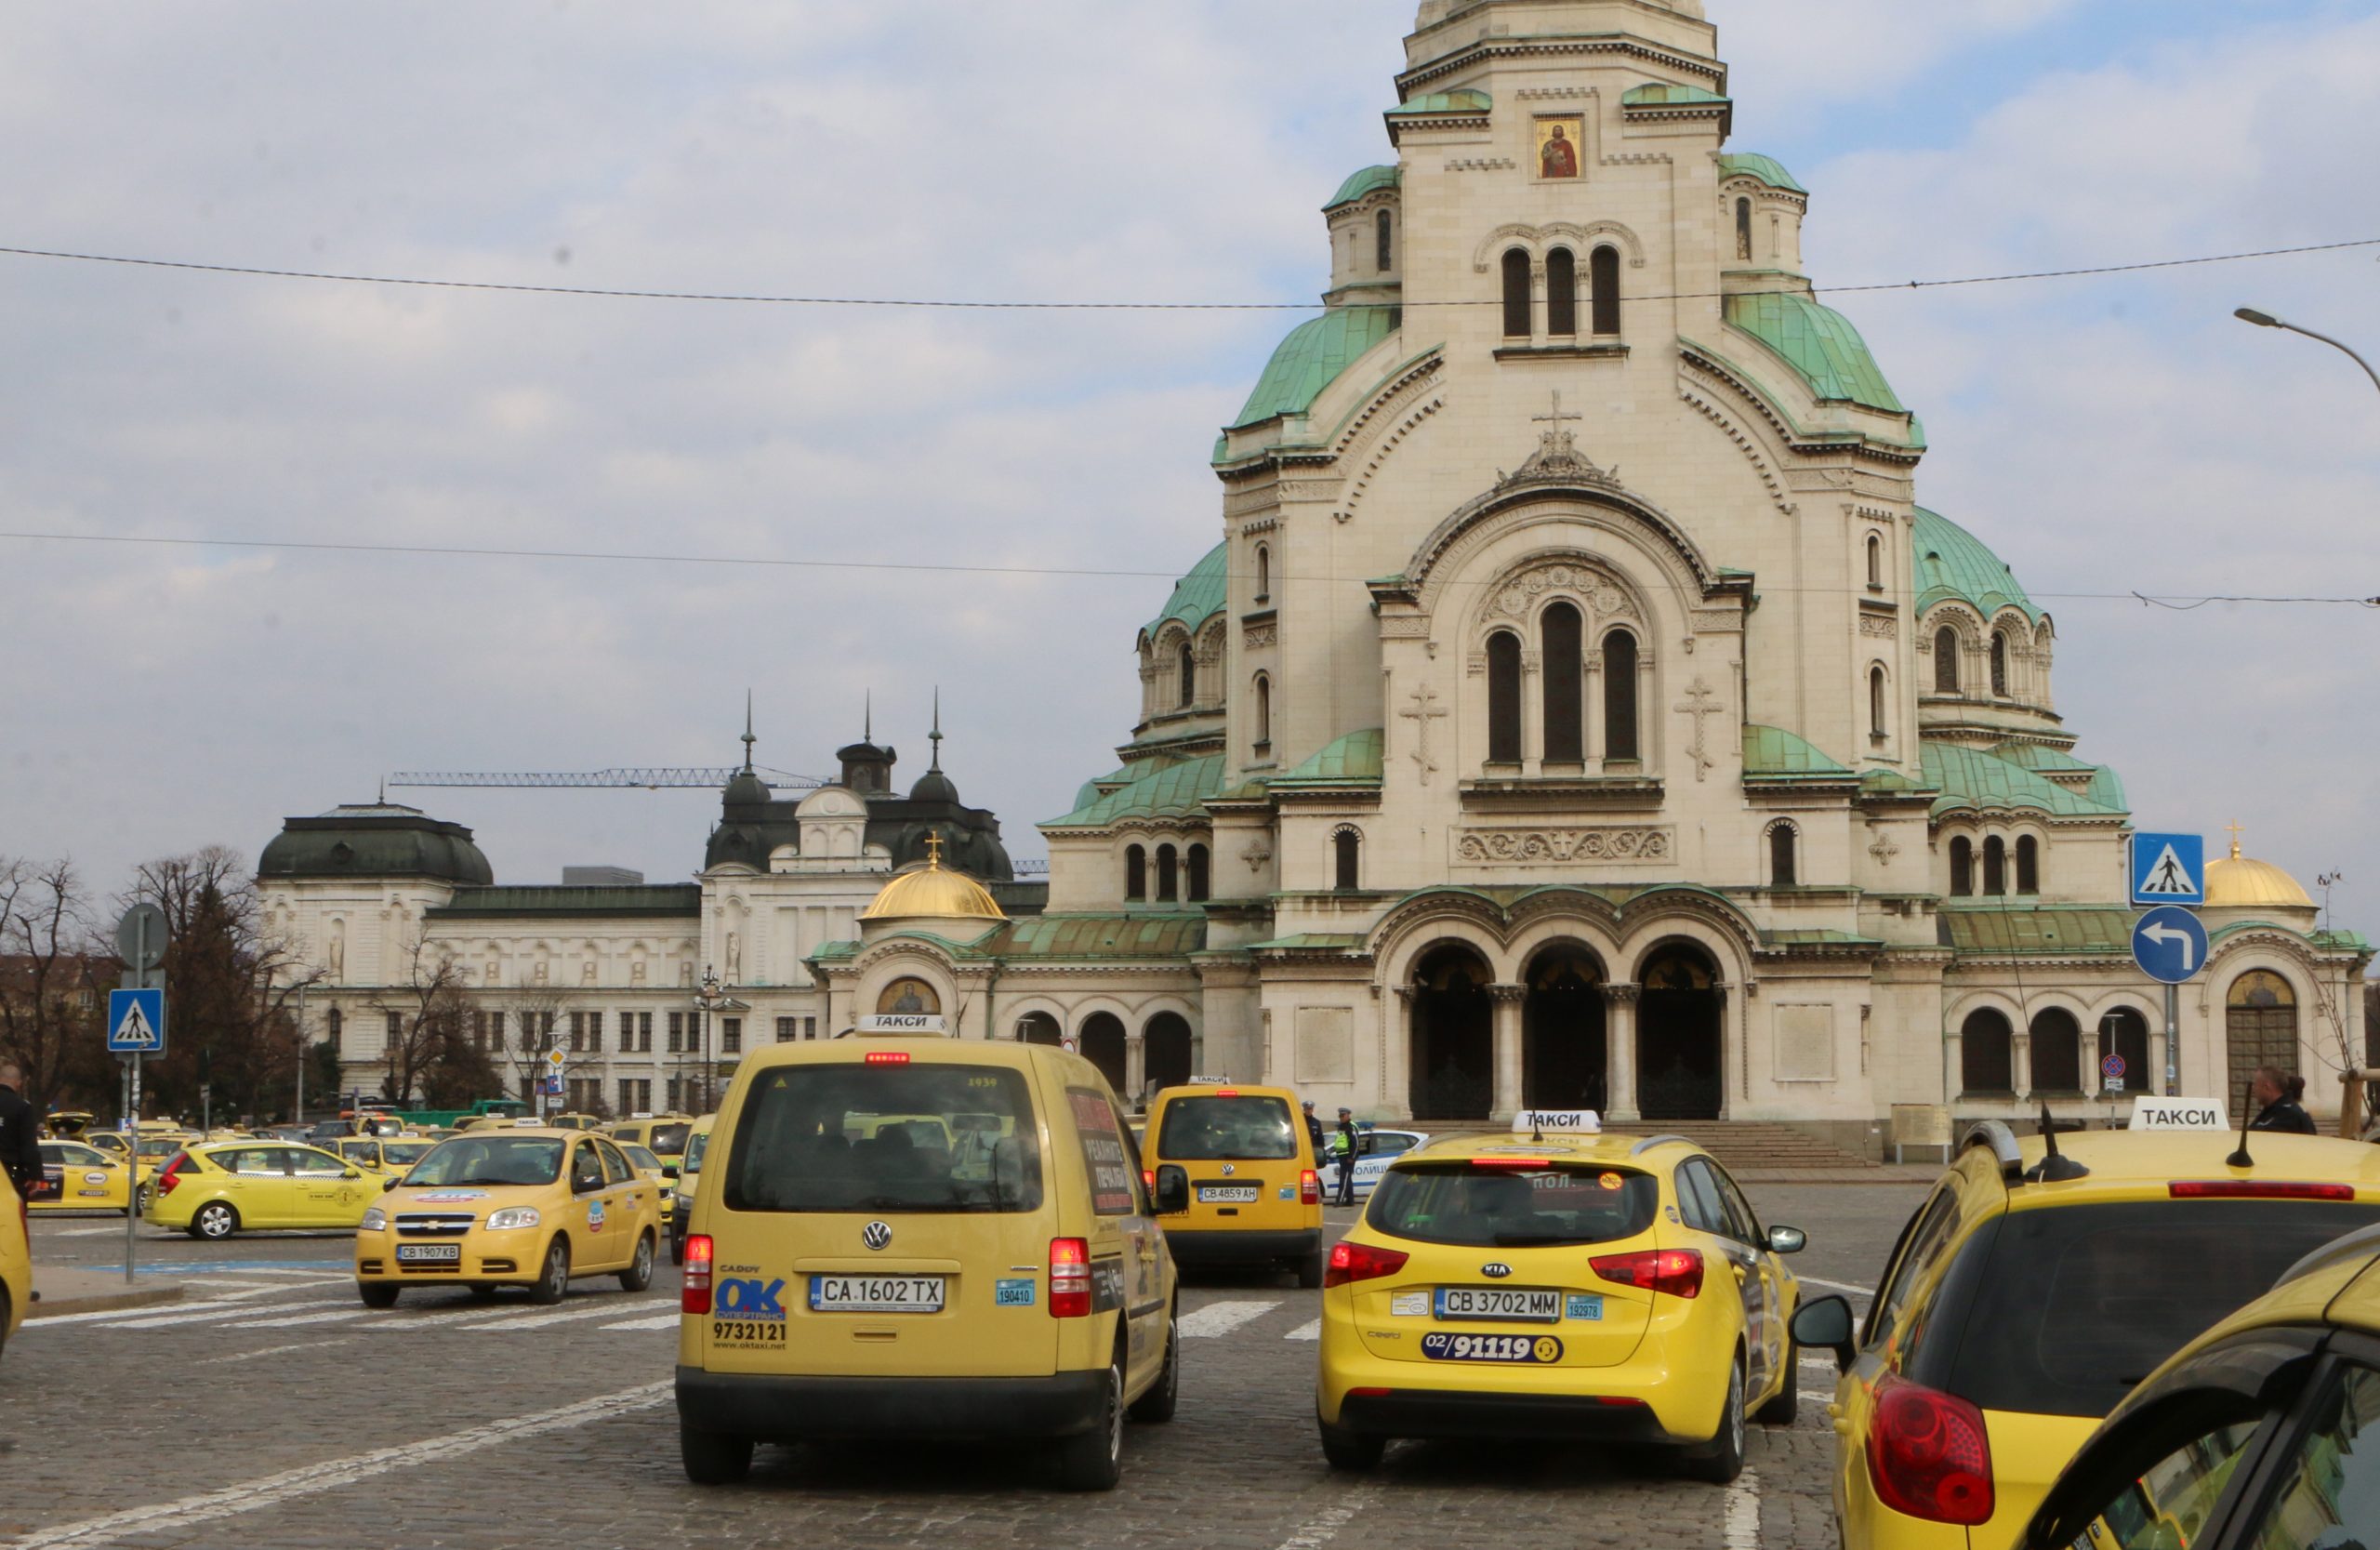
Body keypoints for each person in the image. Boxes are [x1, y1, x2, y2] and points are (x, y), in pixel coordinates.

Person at [0, 1062, 41, 1226]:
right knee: (11, 1223)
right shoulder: (22, 1108)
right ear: (18, 1083)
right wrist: (35, 1175)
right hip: (10, 1175)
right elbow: (29, 1146)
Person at [2249, 1066, 2318, 1134]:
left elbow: (2260, 1135)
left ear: (2267, 1087)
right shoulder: (2272, 1110)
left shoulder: (2290, 1114)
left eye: (2255, 1085)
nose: (2253, 1090)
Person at [1333, 1106, 1360, 1207]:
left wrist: (1352, 1157)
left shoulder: (1351, 1126)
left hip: (1348, 1157)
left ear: (1348, 1115)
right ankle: (1350, 1200)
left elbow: (1356, 1144)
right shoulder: (1341, 1126)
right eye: (1340, 1115)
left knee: (1344, 1179)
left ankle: (1339, 1200)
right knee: (1347, 1179)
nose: (1341, 1117)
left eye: (1343, 1115)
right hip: (1342, 1156)